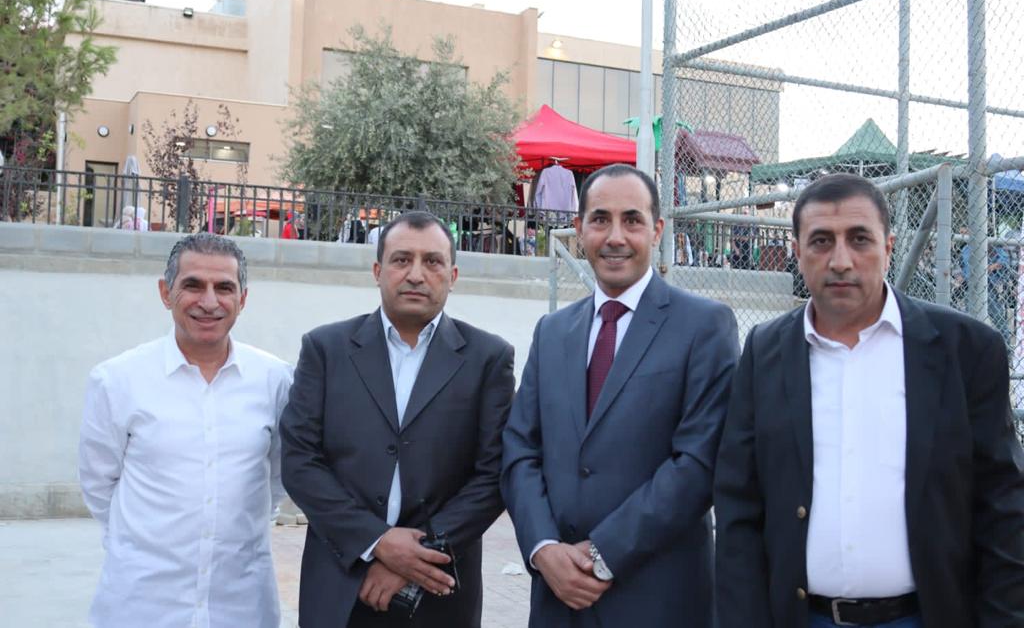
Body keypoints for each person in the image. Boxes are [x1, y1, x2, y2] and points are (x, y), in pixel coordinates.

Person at [714, 173, 1024, 628]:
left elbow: (1003, 506)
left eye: (859, 239)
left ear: (888, 247)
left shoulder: (966, 350)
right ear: (796, 252)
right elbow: (739, 504)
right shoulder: (765, 352)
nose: (841, 261)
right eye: (821, 241)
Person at [502, 164, 740, 627]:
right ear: (579, 229)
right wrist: (543, 548)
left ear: (657, 230)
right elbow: (519, 449)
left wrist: (602, 553)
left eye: (632, 220)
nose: (615, 237)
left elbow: (698, 462)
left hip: (657, 599)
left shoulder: (704, 326)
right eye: (600, 219)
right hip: (558, 598)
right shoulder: (552, 332)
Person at [280, 210, 515, 628]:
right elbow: (301, 462)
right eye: (402, 260)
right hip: (340, 585)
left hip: (440, 590)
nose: (416, 275)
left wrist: (416, 557)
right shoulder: (326, 349)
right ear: (378, 271)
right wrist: (377, 543)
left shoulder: (488, 358)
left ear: (453, 275)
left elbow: (493, 474)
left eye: (432, 261)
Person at [78, 233, 293, 628]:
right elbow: (98, 483)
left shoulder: (275, 380)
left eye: (224, 288)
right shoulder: (117, 380)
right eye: (193, 285)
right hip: (141, 605)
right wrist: (140, 544)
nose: (209, 302)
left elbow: (277, 477)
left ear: (243, 299)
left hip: (242, 605)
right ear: (166, 293)